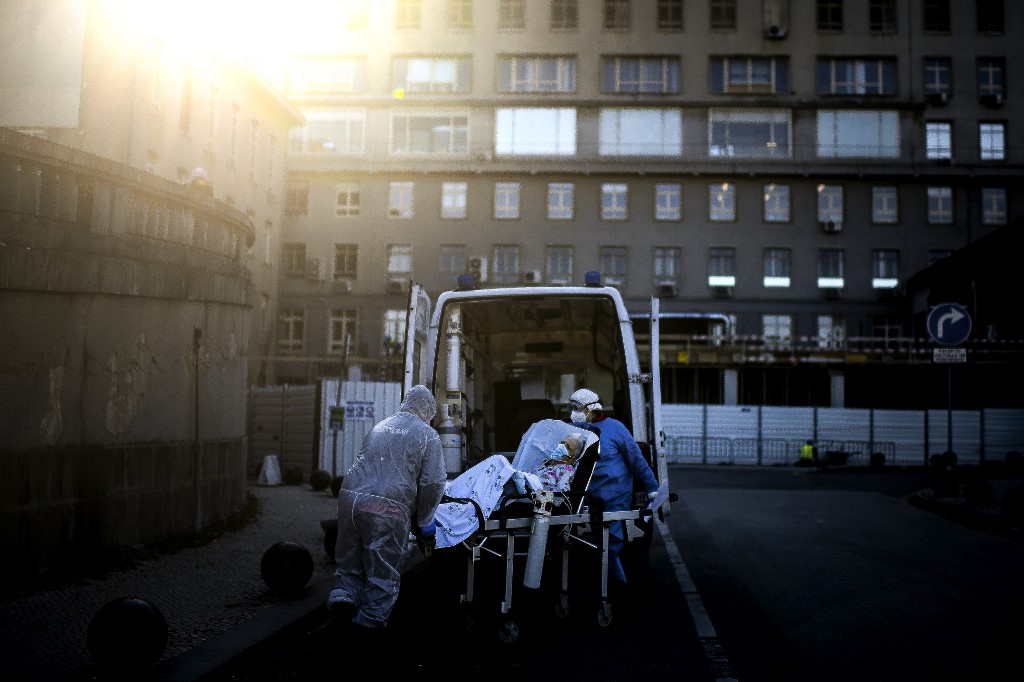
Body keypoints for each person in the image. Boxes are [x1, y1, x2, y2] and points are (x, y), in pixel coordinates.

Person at [326, 385, 446, 633]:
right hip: (386, 507)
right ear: (428, 410)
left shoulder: (381, 426)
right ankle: (365, 632)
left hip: (350, 500)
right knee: (383, 573)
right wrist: (425, 520)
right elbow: (433, 483)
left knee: (350, 564)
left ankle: (342, 602)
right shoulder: (427, 434)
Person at [568, 388, 658, 587]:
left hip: (614, 494)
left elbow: (637, 461)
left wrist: (653, 489)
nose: (574, 411)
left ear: (592, 408)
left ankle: (614, 587)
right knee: (572, 541)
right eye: (572, 407)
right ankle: (597, 583)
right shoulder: (574, 431)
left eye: (578, 408)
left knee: (613, 542)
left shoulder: (616, 429)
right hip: (583, 496)